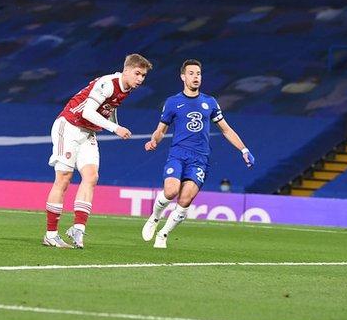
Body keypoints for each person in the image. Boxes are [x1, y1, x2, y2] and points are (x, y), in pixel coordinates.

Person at [141, 59, 254, 248]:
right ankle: (154, 217)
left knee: (185, 200)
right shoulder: (172, 102)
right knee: (170, 191)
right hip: (178, 154)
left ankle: (164, 234)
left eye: (198, 74)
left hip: (199, 159)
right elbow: (161, 130)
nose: (196, 77)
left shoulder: (209, 102)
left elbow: (226, 129)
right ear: (183, 77)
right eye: (191, 73)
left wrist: (244, 149)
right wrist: (154, 141)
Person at [43, 54, 152, 248]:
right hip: (68, 126)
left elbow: (110, 107)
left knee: (91, 177)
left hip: (88, 132)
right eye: (137, 74)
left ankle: (78, 228)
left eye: (143, 76)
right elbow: (87, 112)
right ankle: (51, 234)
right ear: (126, 71)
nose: (140, 79)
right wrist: (115, 129)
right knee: (64, 178)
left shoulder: (126, 88)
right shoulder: (108, 83)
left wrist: (116, 124)